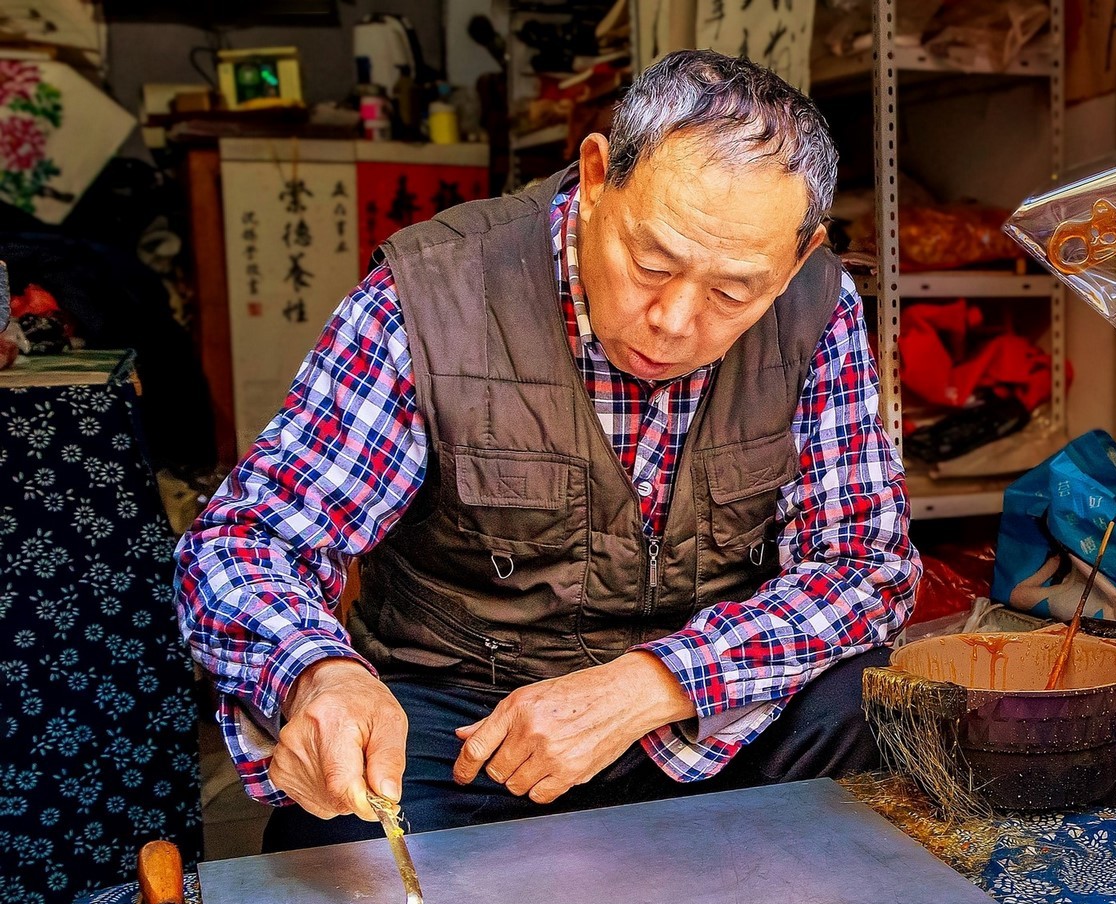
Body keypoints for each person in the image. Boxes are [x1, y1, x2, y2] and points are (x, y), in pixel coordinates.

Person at [175, 50, 920, 852]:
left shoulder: (816, 305)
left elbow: (863, 564)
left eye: (732, 291)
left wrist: (655, 682)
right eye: (651, 264)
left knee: (866, 710)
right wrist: (320, 675)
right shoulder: (434, 295)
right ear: (597, 179)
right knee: (338, 840)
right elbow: (247, 543)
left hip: (706, 710)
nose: (674, 320)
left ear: (797, 257)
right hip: (473, 720)